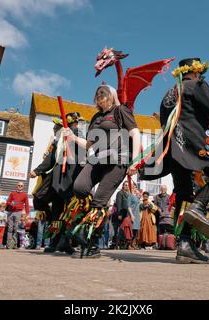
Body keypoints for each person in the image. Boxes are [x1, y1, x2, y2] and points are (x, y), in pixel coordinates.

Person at [141, 58, 209, 263]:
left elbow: (166, 121)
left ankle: (185, 245)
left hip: (174, 148)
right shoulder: (197, 85)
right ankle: (198, 207)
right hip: (196, 144)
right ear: (196, 72)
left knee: (184, 194)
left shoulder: (170, 93)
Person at [64, 84, 141, 258]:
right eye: (97, 94)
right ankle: (86, 222)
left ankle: (92, 246)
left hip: (118, 160)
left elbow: (135, 134)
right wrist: (73, 137)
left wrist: (134, 162)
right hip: (97, 158)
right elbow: (89, 144)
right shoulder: (96, 117)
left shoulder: (121, 111)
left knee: (99, 201)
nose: (100, 96)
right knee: (80, 187)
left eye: (103, 93)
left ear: (112, 95)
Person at [30, 112, 86, 254]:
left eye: (57, 125)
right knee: (54, 211)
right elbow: (51, 159)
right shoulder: (59, 140)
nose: (54, 127)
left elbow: (84, 151)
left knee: (71, 213)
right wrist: (37, 171)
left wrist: (72, 134)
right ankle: (57, 241)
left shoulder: (77, 135)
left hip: (71, 180)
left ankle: (73, 241)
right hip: (56, 180)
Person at [6, 182, 29, 249]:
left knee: (16, 229)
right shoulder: (12, 193)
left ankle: (15, 244)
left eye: (21, 186)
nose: (20, 186)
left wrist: (27, 214)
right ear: (17, 186)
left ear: (23, 187)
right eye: (19, 185)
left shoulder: (25, 194)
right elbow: (7, 202)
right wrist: (11, 204)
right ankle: (9, 244)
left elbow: (27, 204)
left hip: (18, 212)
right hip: (11, 212)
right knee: (10, 229)